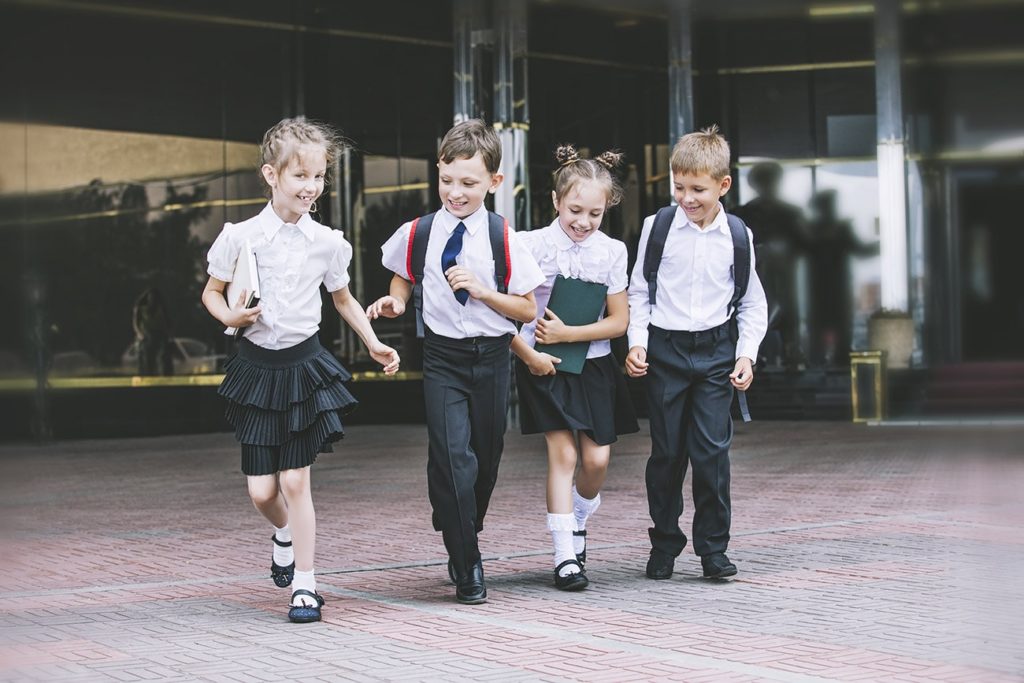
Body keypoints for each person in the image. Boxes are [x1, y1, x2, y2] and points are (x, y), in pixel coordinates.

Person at [202, 118, 400, 623]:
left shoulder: (328, 242)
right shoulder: (239, 236)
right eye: (301, 176)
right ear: (271, 175)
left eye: (319, 177)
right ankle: (284, 534)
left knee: (295, 481)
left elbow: (343, 299)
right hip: (255, 368)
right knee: (261, 491)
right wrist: (229, 316)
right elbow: (212, 290)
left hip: (302, 367)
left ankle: (307, 588)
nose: (312, 187)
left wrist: (374, 342)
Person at [366, 119, 544, 604]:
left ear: (494, 183)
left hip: (492, 358)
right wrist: (396, 302)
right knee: (452, 458)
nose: (455, 192)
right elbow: (403, 277)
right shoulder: (417, 232)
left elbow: (527, 308)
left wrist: (485, 292)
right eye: (447, 180)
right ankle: (467, 565)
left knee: (484, 462)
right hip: (442, 357)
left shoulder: (505, 238)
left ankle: (461, 519)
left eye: (468, 183)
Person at [625, 125, 767, 581]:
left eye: (697, 189)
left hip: (715, 354)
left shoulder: (738, 236)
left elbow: (751, 303)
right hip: (665, 351)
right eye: (679, 187)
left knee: (711, 454)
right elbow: (638, 293)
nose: (687, 197)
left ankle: (713, 550)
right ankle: (664, 544)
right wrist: (637, 343)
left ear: (723, 185)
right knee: (667, 455)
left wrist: (746, 354)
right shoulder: (657, 227)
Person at [511, 144, 639, 591]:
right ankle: (565, 555)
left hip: (596, 365)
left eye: (595, 214)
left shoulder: (613, 252)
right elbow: (508, 312)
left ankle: (581, 514)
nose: (583, 222)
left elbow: (619, 320)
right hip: (543, 365)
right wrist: (530, 350)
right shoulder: (528, 245)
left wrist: (568, 335)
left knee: (597, 460)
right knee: (563, 454)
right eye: (575, 210)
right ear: (555, 201)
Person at [733, 161, 806, 369]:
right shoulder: (744, 214)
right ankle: (779, 352)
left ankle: (787, 351)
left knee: (780, 314)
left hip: (779, 276)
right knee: (756, 312)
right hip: (759, 276)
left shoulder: (744, 213)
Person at [132, 287, 172, 376]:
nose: (152, 299)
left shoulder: (160, 308)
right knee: (146, 360)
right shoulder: (140, 308)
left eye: (154, 297)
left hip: (158, 335)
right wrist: (140, 334)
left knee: (162, 358)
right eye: (150, 297)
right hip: (145, 336)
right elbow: (135, 323)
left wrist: (167, 334)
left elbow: (165, 322)